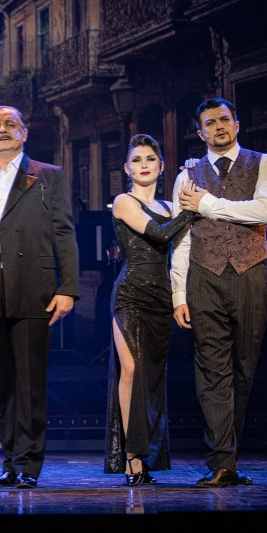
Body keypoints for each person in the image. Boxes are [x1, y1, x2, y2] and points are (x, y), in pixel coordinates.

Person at [0, 105, 79, 489]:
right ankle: (10, 460)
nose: (3, 129)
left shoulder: (48, 175)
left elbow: (63, 232)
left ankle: (28, 464)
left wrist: (68, 288)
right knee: (2, 384)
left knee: (30, 384)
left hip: (34, 288)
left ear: (24, 133)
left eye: (11, 124)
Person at [171, 97, 267, 487]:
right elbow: (181, 238)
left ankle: (230, 457)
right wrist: (178, 293)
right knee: (211, 369)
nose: (218, 126)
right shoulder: (187, 175)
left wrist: (208, 204)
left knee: (243, 367)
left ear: (237, 124)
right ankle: (221, 461)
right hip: (203, 275)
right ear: (200, 132)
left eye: (224, 119)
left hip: (250, 274)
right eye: (210, 122)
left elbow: (265, 211)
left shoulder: (264, 163)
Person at [104, 134, 198, 485]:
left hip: (161, 298)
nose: (144, 165)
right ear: (127, 168)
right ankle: (132, 457)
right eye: (137, 160)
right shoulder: (123, 201)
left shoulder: (170, 206)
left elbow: (182, 246)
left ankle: (148, 454)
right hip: (130, 294)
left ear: (161, 167)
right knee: (130, 368)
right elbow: (159, 235)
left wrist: (194, 174)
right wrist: (191, 210)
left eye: (150, 159)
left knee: (152, 378)